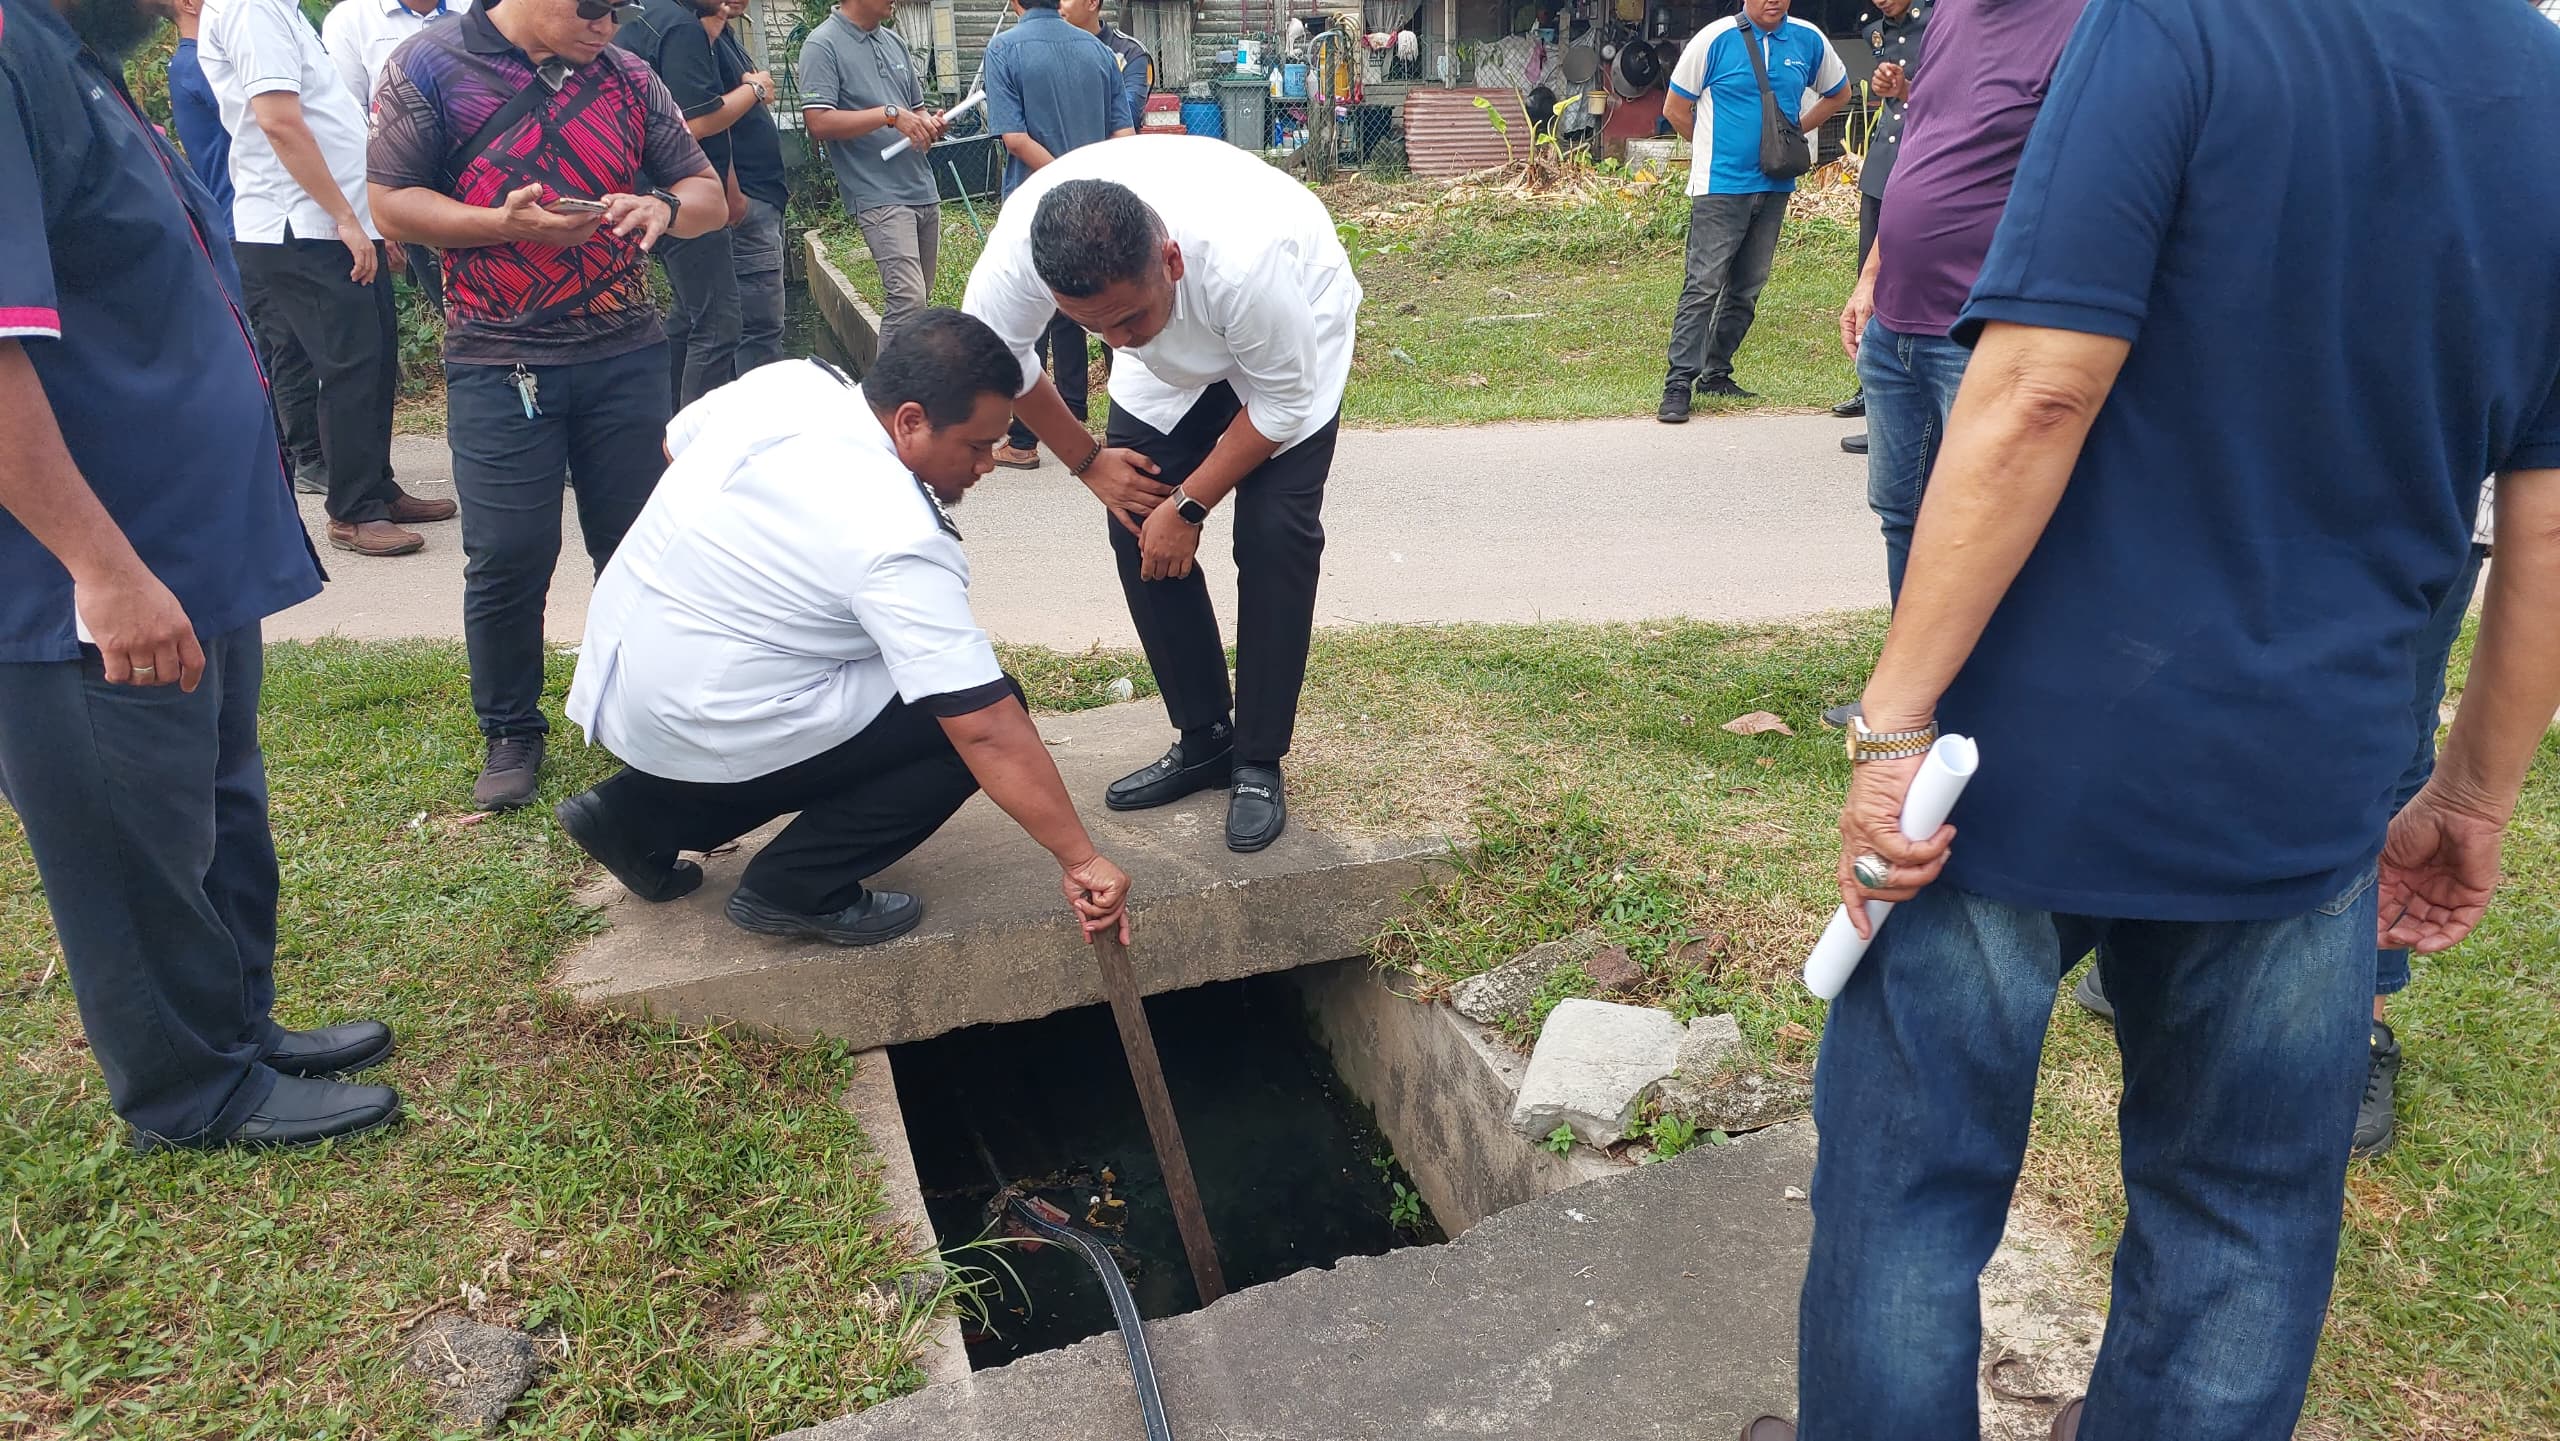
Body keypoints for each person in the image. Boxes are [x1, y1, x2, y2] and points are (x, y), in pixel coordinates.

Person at [1768, 3, 2560, 1440]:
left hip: (2015, 773)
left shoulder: (2177, 21)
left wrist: (1892, 729)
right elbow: (2549, 523)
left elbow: (2034, 391)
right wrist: (2474, 796)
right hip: (2311, 788)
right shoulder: (2546, 81)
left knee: (1908, 1198)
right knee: (2241, 1231)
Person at [2, 0, 401, 1151]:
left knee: (215, 808)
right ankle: (188, 1090)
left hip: (181, 548)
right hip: (87, 573)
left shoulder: (77, 59)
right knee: (130, 845)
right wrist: (99, 564)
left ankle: (237, 1029)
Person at [555, 312, 1135, 948]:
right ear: (910, 420)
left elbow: (676, 445)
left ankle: (633, 817)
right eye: (974, 446)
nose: (988, 465)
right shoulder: (895, 530)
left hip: (628, 676)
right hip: (702, 711)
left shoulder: (793, 383)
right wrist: (1080, 858)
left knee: (870, 686)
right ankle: (797, 885)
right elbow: (984, 726)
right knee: (966, 715)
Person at [367, 0, 724, 811]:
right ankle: (510, 729)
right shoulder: (428, 64)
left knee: (639, 547)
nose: (607, 23)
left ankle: (649, 716)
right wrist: (500, 224)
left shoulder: (629, 76)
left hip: (626, 349)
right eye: (591, 7)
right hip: (499, 357)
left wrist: (663, 209)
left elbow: (703, 191)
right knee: (508, 554)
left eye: (620, 9)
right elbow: (391, 202)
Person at [962, 137, 1359, 854]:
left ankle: (1258, 759)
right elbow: (998, 359)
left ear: (1169, 260)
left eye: (1127, 319)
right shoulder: (1023, 253)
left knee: (1274, 534)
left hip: (1289, 338)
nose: (1117, 339)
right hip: (1179, 355)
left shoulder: (1246, 259)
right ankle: (1204, 733)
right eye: (1093, 327)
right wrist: (1088, 461)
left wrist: (1191, 504)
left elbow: (1279, 405)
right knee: (1133, 520)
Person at [201, 0, 454, 556]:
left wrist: (367, 218)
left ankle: (376, 487)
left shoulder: (281, 11)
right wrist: (344, 216)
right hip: (301, 223)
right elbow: (279, 121)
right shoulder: (249, 9)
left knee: (376, 356)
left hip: (340, 219)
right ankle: (352, 511)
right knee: (349, 366)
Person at [1656, 0, 1846, 424]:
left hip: (1775, 185)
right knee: (1703, 285)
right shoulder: (1714, 39)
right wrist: (1712, 149)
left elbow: (1839, 93)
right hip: (1720, 187)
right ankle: (1678, 383)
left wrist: (1794, 133)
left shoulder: (1808, 39)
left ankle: (1716, 372)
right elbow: (1675, 110)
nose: (1773, 1)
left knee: (1747, 288)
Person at [980, 0, 1132, 469]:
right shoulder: (1098, 51)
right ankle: (1109, 424)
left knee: (1035, 317)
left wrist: (1064, 181)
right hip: (1099, 202)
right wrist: (1092, 187)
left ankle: (1025, 441)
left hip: (1034, 201)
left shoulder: (1003, 49)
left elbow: (1015, 139)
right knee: (1097, 303)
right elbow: (1123, 133)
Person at [614, 0, 772, 406]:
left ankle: (661, 421)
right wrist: (754, 89)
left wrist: (729, 184)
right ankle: (695, 441)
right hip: (680, 196)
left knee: (688, 316)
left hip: (654, 188)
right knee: (720, 326)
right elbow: (698, 123)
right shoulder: (681, 28)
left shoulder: (646, 18)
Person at [797, 0, 946, 352]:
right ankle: (880, 402)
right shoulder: (822, 44)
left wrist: (930, 125)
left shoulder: (894, 42)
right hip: (876, 192)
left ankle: (908, 392)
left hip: (921, 186)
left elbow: (916, 111)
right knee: (908, 299)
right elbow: (818, 122)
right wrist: (889, 115)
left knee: (918, 302)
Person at [319, 0, 472, 315]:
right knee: (455, 312)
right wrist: (376, 218)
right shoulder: (351, 20)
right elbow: (349, 125)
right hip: (413, 199)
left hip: (489, 188)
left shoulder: (476, 9)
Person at [1833, 0, 1924, 455]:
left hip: (1924, 161)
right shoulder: (1874, 29)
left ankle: (1892, 406)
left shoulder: (1942, 20)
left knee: (1902, 285)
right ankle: (1871, 387)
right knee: (1869, 285)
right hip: (1884, 166)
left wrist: (1906, 88)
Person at [710, 0, 786, 372]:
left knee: (756, 326)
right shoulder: (697, 37)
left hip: (758, 197)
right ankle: (760, 425)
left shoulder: (726, 35)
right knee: (758, 328)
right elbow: (704, 121)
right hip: (744, 201)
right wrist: (731, 193)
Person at [1088, 4, 1150, 124]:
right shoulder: (1052, 50)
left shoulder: (1130, 52)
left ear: (1092, 2)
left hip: (1115, 141)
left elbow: (1129, 113)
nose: (1059, 5)